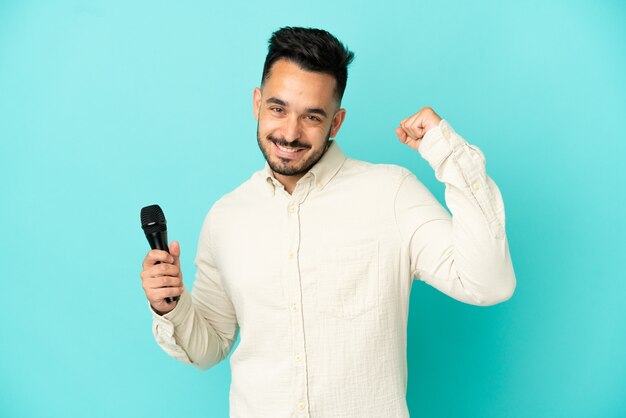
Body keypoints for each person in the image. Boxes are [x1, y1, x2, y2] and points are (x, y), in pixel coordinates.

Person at [140, 26, 516, 418]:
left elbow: (490, 283)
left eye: (312, 117)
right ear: (257, 103)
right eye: (278, 108)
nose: (289, 132)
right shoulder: (226, 217)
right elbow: (209, 346)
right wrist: (171, 306)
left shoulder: (391, 193)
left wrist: (445, 150)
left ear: (336, 123)